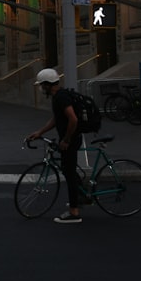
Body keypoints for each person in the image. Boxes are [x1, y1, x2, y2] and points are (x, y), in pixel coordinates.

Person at [27, 68, 88, 224]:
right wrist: (40, 132)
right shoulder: (58, 96)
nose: (41, 88)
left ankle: (74, 212)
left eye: (42, 85)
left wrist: (66, 140)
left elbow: (73, 119)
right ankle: (82, 197)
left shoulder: (61, 98)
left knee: (69, 174)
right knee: (69, 170)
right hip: (70, 139)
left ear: (48, 84)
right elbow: (56, 119)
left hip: (71, 140)